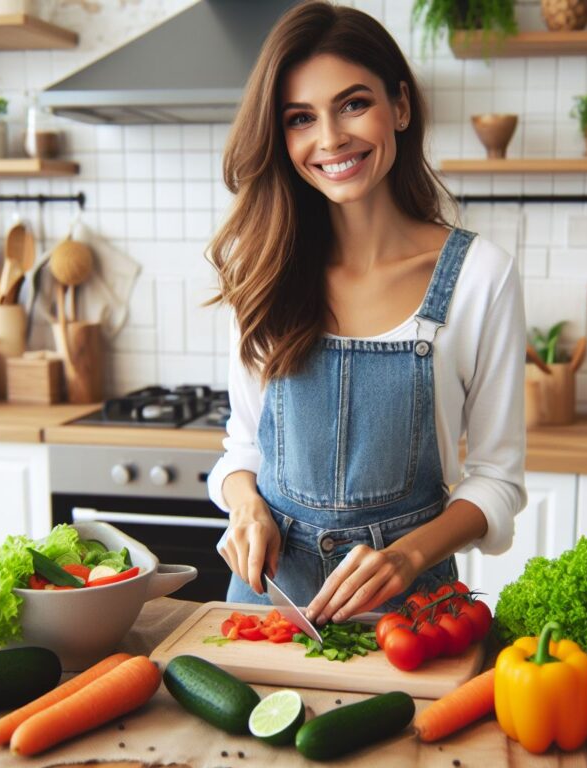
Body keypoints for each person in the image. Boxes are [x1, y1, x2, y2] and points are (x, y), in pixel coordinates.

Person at [207, 0, 526, 627]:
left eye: (353, 104)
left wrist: (407, 555)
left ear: (400, 107)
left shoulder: (480, 275)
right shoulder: (262, 268)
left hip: (412, 619)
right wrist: (244, 505)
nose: (330, 139)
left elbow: (496, 481)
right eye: (301, 118)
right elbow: (243, 448)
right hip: (268, 610)